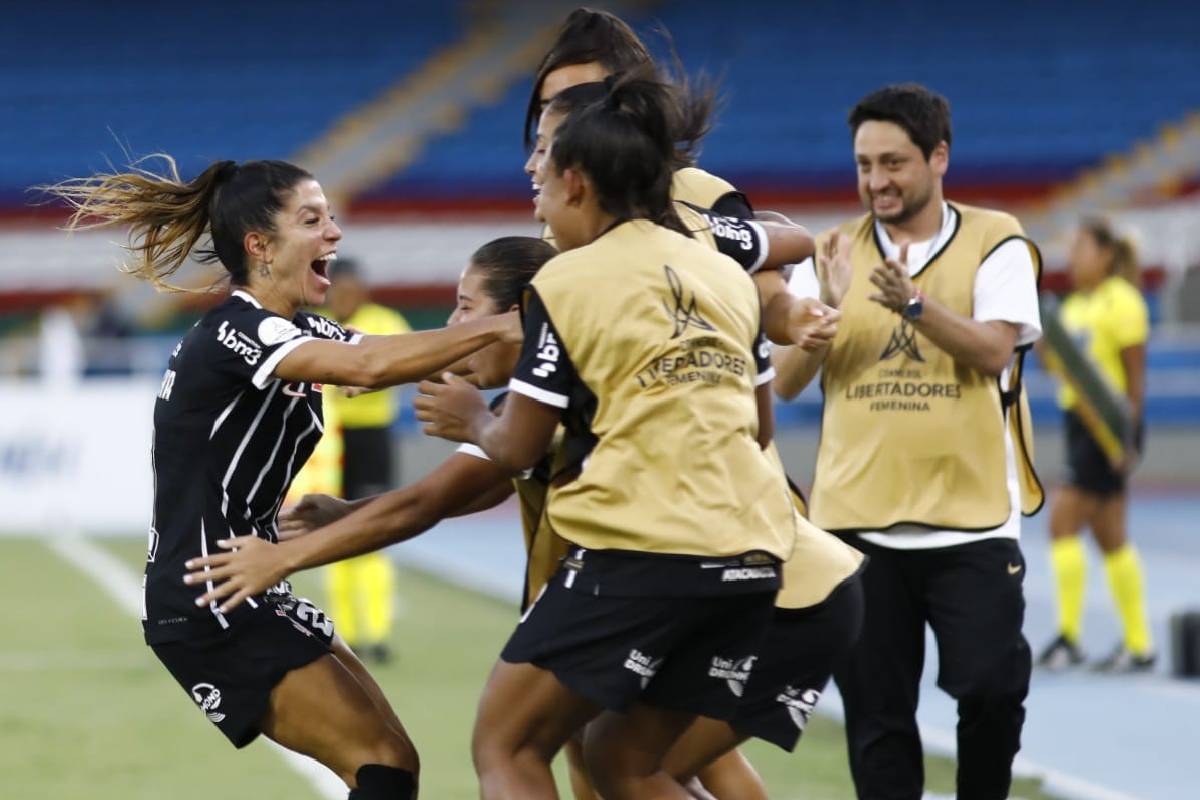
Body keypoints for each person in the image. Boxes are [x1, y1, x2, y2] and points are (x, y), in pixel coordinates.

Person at [47, 155, 521, 800]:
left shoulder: (297, 330)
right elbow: (372, 367)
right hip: (212, 591)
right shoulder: (237, 333)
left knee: (393, 765)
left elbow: (395, 358)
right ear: (260, 246)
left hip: (255, 578)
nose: (335, 234)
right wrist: (520, 321)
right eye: (313, 220)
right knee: (381, 765)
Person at [417, 74, 797, 800]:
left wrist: (471, 418)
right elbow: (760, 426)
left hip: (644, 555)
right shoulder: (724, 275)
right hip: (752, 558)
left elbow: (517, 448)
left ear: (578, 183)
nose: (535, 195)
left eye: (544, 176)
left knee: (508, 744)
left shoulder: (566, 283)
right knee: (624, 763)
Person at [774, 84, 1044, 800]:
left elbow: (993, 353)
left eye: (893, 163)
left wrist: (914, 305)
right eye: (864, 165)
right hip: (857, 523)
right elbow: (788, 383)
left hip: (972, 520)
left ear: (938, 157)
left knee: (991, 691)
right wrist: (824, 314)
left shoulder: (998, 240)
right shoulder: (830, 252)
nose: (876, 182)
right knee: (877, 721)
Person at [527, 7, 838, 352]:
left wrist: (793, 315)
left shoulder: (699, 193)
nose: (559, 118)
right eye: (548, 105)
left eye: (583, 102)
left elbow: (764, 295)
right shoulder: (558, 215)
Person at [1038, 217, 1155, 672]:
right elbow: (1063, 367)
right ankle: (1140, 644)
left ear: (1107, 253)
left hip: (1108, 429)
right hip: (1077, 423)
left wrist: (1126, 438)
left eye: (1083, 247)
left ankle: (1069, 637)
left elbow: (1135, 379)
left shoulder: (1123, 303)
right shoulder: (1072, 308)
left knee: (1062, 524)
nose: (1074, 256)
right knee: (1111, 538)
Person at [325, 260, 412, 663]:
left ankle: (376, 633)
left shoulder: (385, 322)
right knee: (329, 537)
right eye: (336, 290)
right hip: (327, 445)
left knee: (371, 537)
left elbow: (404, 365)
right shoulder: (316, 324)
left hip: (372, 440)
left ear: (362, 290)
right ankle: (345, 634)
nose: (343, 297)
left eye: (350, 289)